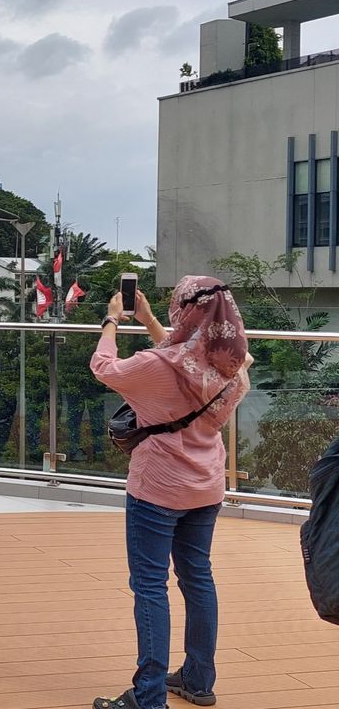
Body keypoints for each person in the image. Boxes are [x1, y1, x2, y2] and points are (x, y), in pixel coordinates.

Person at [89, 276, 251, 709]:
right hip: (206, 486)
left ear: (185, 310)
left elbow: (104, 367)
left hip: (158, 489)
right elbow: (184, 360)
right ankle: (198, 680)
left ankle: (149, 697)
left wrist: (112, 320)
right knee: (197, 578)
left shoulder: (153, 366)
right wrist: (149, 320)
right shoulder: (230, 364)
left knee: (149, 586)